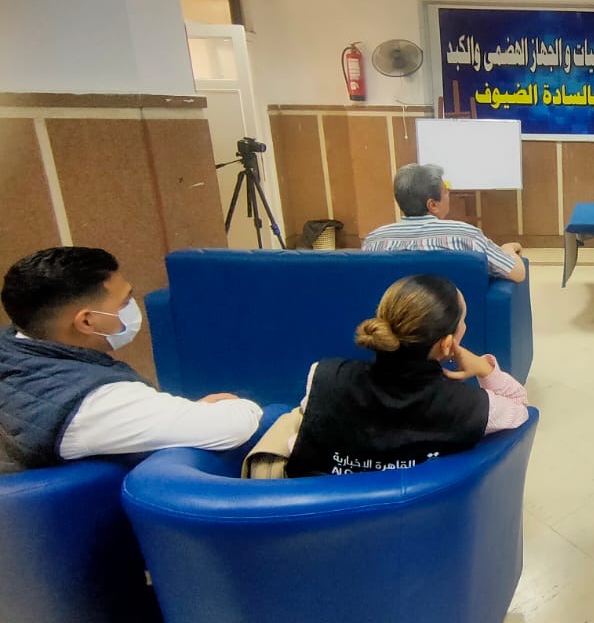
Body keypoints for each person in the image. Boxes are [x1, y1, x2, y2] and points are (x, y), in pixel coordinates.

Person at [0, 247, 263, 473]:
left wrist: (180, 412)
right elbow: (233, 427)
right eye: (124, 302)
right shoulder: (91, 403)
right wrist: (240, 405)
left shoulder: (12, 346)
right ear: (87, 322)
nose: (130, 308)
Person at [287, 274, 529, 477]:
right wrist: (484, 368)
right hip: (424, 516)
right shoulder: (469, 406)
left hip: (325, 514)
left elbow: (308, 434)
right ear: (447, 344)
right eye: (463, 320)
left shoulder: (326, 377)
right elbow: (520, 406)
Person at [363, 164, 527, 283]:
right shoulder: (466, 235)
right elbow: (517, 273)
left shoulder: (374, 240)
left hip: (392, 320)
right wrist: (508, 249)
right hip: (457, 318)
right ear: (433, 205)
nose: (449, 193)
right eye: (446, 189)